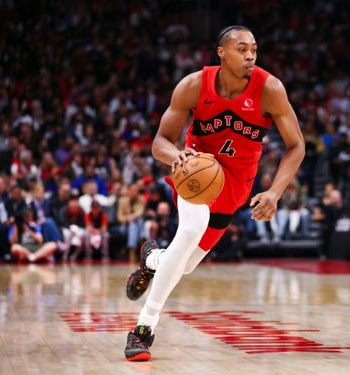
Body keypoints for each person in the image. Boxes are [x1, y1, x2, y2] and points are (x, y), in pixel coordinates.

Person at [123, 25, 305, 361]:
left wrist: (274, 192)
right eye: (241, 49)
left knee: (184, 264)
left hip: (234, 186)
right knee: (190, 230)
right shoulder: (194, 85)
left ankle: (152, 259)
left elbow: (296, 146)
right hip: (195, 173)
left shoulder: (270, 89)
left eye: (254, 49)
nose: (250, 56)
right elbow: (160, 141)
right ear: (221, 52)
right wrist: (176, 156)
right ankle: (144, 328)